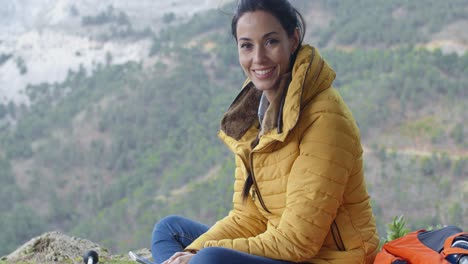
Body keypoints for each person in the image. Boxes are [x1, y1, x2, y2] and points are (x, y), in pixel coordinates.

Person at [151, 0, 379, 263]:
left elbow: (298, 241)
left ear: (293, 40)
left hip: (327, 258)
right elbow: (248, 217)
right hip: (279, 247)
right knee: (170, 231)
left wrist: (200, 254)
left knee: (208, 259)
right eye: (247, 45)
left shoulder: (325, 118)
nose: (258, 58)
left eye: (270, 42)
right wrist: (190, 252)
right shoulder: (251, 117)